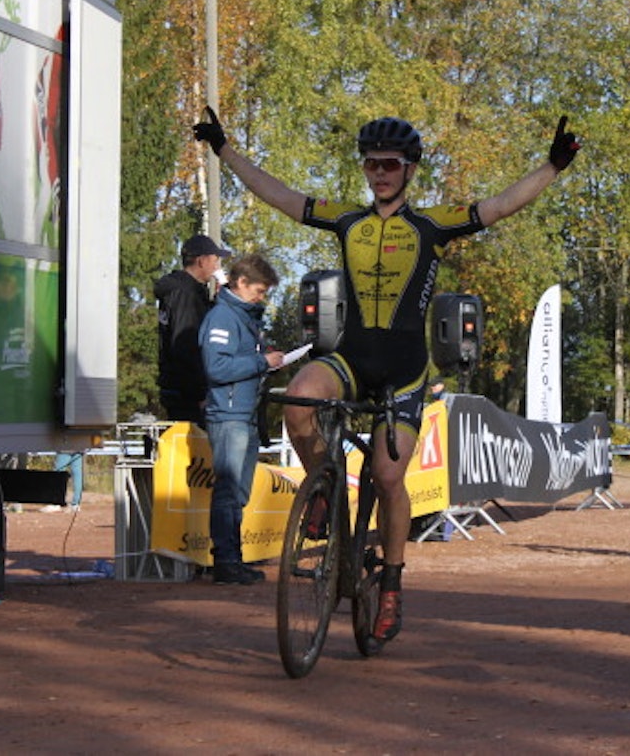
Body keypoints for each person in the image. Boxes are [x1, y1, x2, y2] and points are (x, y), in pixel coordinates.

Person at [194, 107, 579, 641]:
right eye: (372, 164)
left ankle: (392, 581)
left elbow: (498, 206)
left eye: (390, 165)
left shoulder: (431, 225)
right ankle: (324, 490)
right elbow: (277, 193)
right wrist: (224, 150)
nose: (379, 173)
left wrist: (552, 167)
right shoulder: (346, 218)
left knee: (390, 474)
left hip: (403, 369)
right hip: (352, 357)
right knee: (299, 398)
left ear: (410, 170)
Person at [199, 254, 285, 585]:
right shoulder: (223, 317)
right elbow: (217, 368)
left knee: (239, 493)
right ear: (241, 283)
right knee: (229, 490)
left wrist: (264, 360)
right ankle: (225, 561)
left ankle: (232, 558)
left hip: (244, 415)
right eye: (259, 291)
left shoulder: (242, 317)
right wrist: (262, 362)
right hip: (230, 415)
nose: (261, 298)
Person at [154, 234, 231, 424]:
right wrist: (198, 394)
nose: (217, 267)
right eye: (215, 260)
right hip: (187, 393)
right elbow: (185, 344)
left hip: (181, 388)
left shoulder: (188, 292)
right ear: (201, 261)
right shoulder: (185, 294)